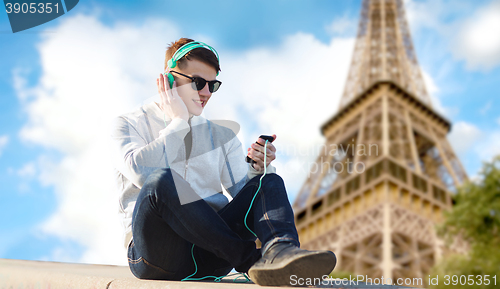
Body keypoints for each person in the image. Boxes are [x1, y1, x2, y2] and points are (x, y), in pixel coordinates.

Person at [110, 37, 336, 286]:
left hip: (212, 253)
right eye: (197, 83)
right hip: (158, 256)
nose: (206, 93)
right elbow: (141, 172)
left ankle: (281, 251)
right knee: (161, 180)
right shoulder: (128, 122)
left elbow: (244, 196)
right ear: (169, 79)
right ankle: (252, 262)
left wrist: (257, 168)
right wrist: (177, 122)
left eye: (212, 85)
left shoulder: (221, 136)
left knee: (268, 181)